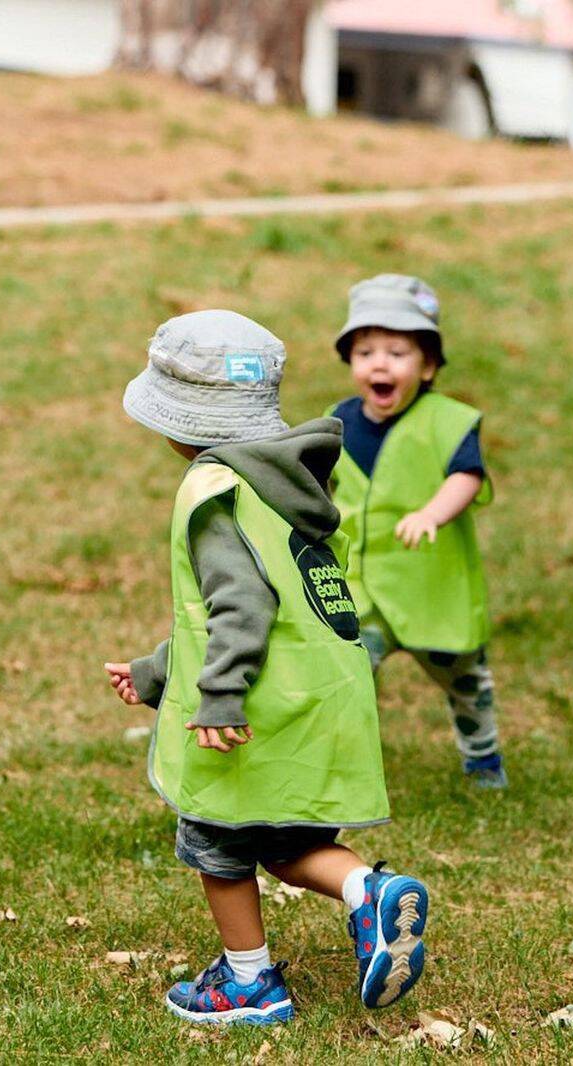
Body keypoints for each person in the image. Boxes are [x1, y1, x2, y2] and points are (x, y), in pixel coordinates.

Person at [105, 309, 430, 1026]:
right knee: (287, 844)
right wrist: (159, 673)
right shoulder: (284, 481)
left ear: (178, 423)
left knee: (215, 841)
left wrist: (218, 697)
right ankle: (369, 894)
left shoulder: (213, 489)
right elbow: (265, 608)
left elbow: (242, 606)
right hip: (315, 692)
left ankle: (249, 983)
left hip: (254, 707)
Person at [326, 275, 506, 788]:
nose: (379, 363)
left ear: (427, 366)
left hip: (431, 588)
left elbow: (467, 476)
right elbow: (322, 479)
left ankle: (483, 756)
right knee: (350, 671)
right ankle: (348, 766)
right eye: (365, 351)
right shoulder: (337, 421)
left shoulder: (448, 422)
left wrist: (432, 514)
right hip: (361, 587)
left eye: (398, 352)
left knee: (466, 680)